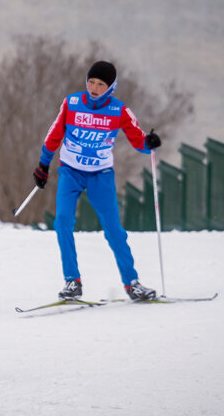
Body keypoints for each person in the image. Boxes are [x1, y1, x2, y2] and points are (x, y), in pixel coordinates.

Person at [33, 60, 162, 301]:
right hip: (70, 172)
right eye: (91, 81)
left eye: (101, 84)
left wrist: (149, 144)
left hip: (100, 176)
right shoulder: (72, 103)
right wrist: (43, 163)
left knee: (114, 230)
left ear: (111, 87)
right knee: (62, 222)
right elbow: (55, 133)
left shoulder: (118, 110)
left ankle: (132, 284)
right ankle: (72, 281)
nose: (93, 88)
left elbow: (138, 139)